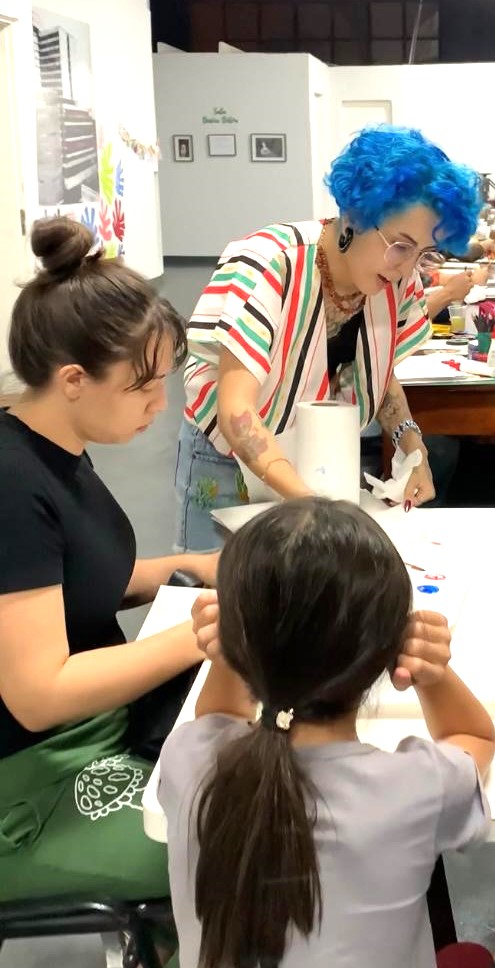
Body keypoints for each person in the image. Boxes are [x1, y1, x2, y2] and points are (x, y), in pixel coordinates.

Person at [158, 498, 495, 968]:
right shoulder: (417, 787)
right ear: (387, 649)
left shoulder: (189, 759)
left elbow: (217, 718)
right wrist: (431, 673)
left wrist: (235, 646)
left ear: (234, 642)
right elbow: (473, 738)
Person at [0, 217, 220, 932]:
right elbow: (39, 693)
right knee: (239, 841)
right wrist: (203, 634)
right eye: (143, 387)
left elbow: (68, 582)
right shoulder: (11, 481)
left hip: (91, 731)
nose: (161, 406)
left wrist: (189, 567)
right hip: (29, 789)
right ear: (73, 380)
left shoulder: (58, 444)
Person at [174, 125, 480, 551]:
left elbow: (377, 372)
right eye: (401, 246)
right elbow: (236, 409)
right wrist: (313, 506)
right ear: (355, 215)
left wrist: (413, 447)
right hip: (228, 459)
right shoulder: (271, 263)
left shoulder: (396, 283)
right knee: (218, 577)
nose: (407, 267)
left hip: (315, 455)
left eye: (423, 253)